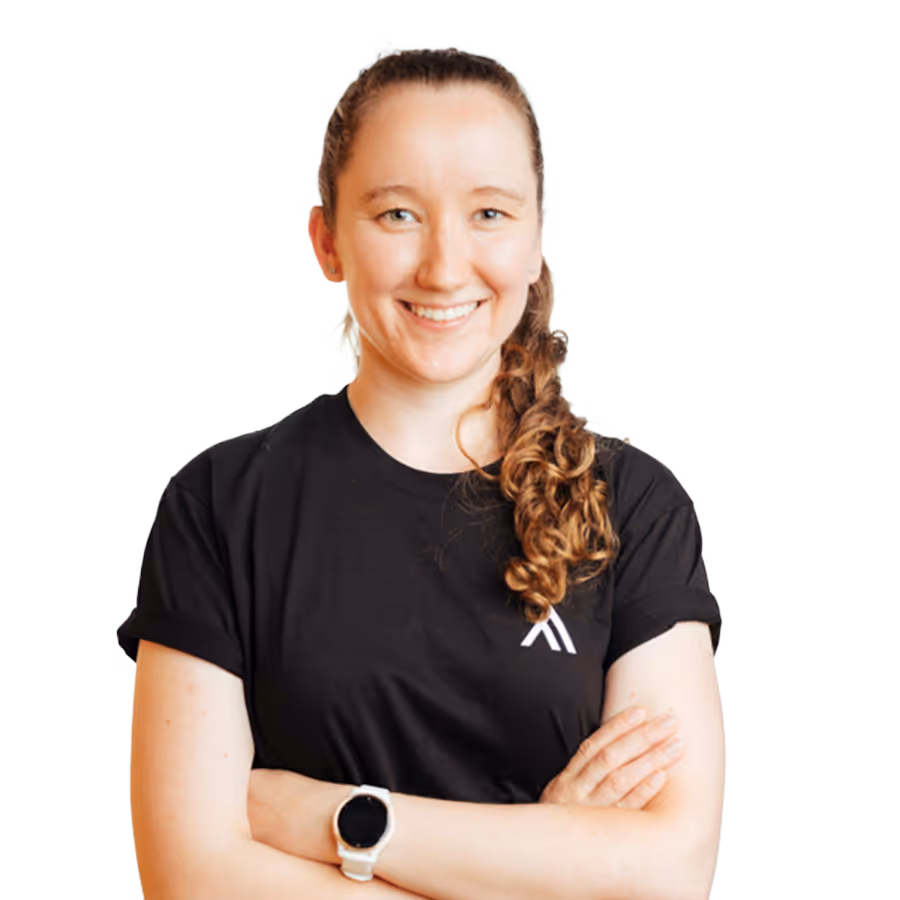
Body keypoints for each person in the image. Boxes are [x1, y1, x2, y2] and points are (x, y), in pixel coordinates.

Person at [118, 46, 724, 900]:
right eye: (397, 215)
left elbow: (667, 873)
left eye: (489, 214)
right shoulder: (218, 505)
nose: (444, 267)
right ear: (328, 240)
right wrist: (546, 855)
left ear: (536, 236)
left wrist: (341, 820)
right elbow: (193, 878)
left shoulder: (636, 509)